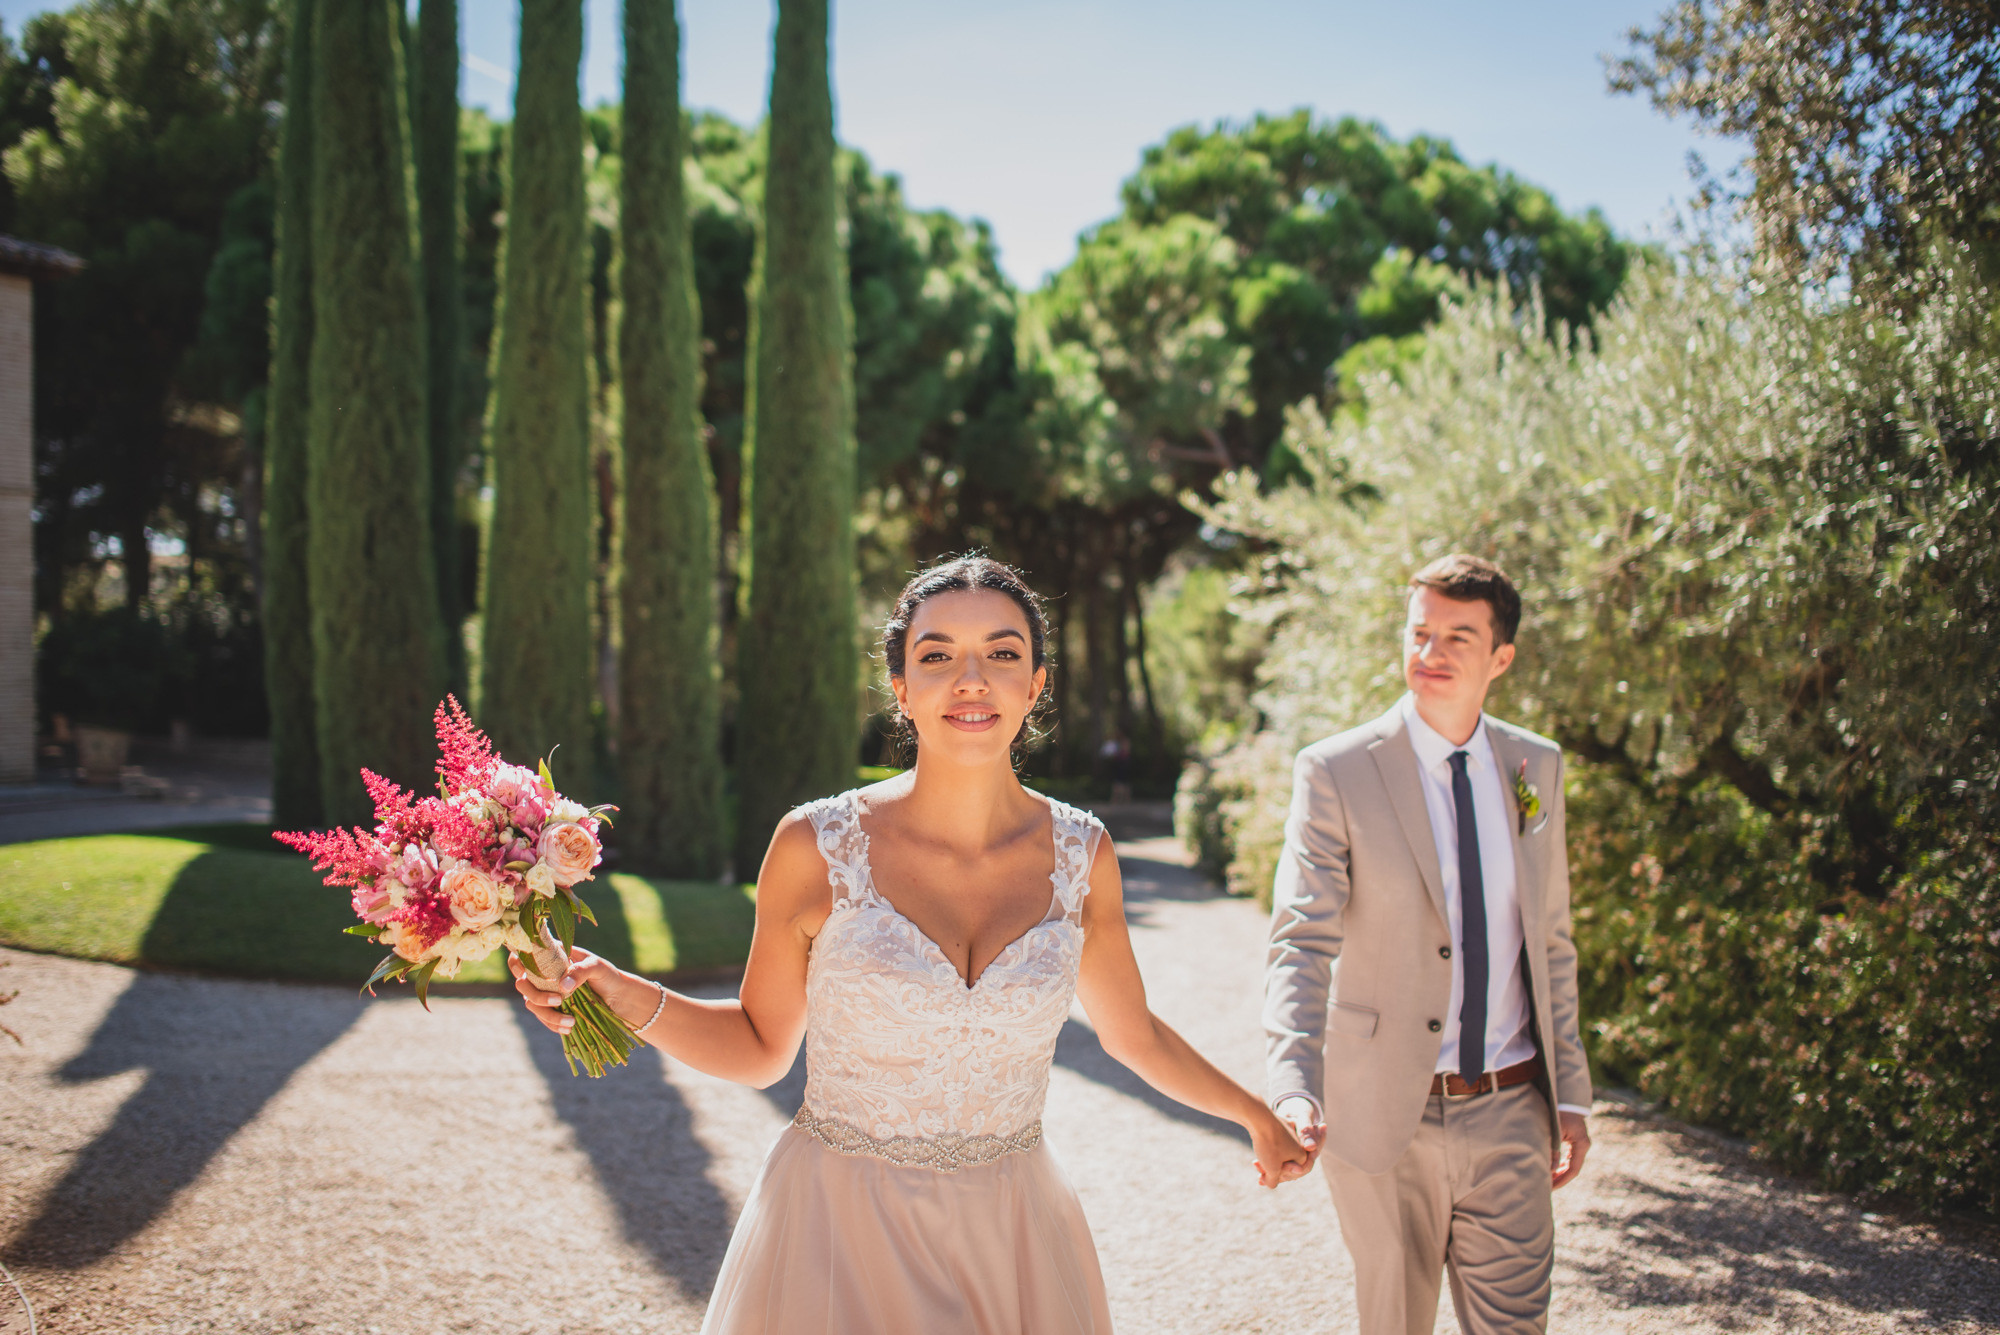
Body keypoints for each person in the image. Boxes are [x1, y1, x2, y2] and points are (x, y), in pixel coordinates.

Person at [516, 555, 1310, 1334]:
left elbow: (1132, 1033)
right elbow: (760, 1047)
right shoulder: (813, 844)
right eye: (938, 656)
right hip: (836, 1231)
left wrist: (1253, 1114)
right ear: (901, 685)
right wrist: (623, 991)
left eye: (1002, 653)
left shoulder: (1082, 855)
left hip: (1016, 1235)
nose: (972, 680)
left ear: (1036, 684)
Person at [1264, 553, 1593, 1335]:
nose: (1430, 652)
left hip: (1514, 1105)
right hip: (1381, 1113)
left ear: (1501, 658)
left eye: (1457, 637)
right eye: (1419, 632)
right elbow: (1300, 941)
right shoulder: (1337, 770)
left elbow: (1551, 939)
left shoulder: (1533, 766)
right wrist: (1293, 1081)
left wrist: (1570, 1090)